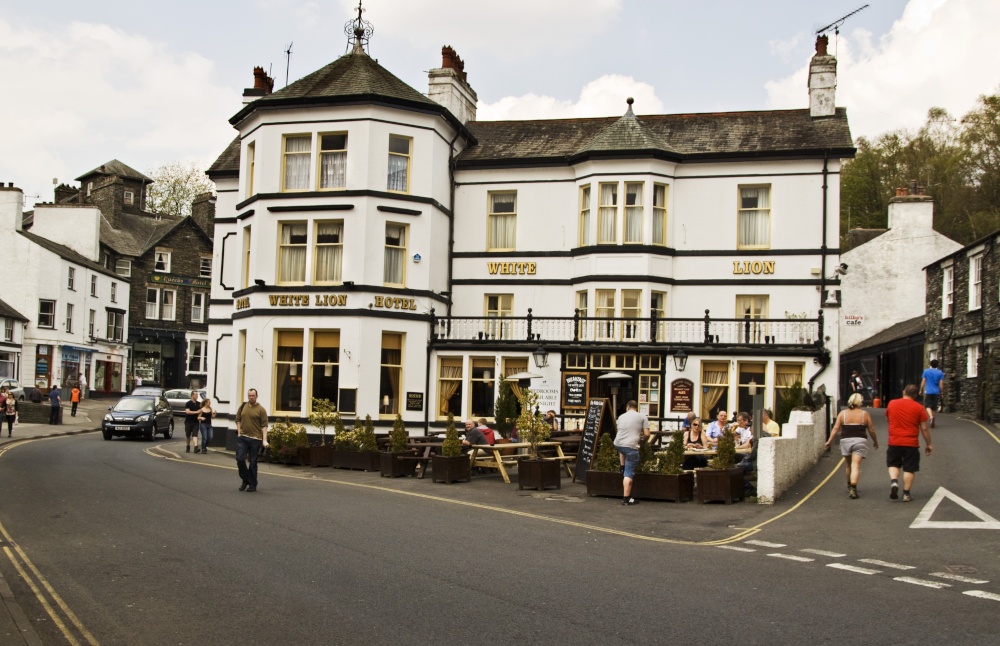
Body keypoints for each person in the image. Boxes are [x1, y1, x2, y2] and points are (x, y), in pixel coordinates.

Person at [825, 393, 879, 499]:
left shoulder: (843, 414)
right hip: (860, 441)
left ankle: (849, 485)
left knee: (848, 465)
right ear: (860, 402)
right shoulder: (865, 414)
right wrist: (875, 441)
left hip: (845, 441)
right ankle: (853, 488)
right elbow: (871, 430)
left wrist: (829, 441)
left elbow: (836, 428)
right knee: (856, 465)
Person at [885, 384, 933, 502]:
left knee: (893, 464)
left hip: (894, 441)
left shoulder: (892, 403)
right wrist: (929, 444)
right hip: (911, 443)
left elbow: (888, 418)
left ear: (903, 392)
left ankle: (894, 482)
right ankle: (906, 494)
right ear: (915, 395)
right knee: (909, 468)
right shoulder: (919, 407)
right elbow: (924, 428)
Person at [614, 400, 650, 506]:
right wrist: (643, 440)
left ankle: (622, 465)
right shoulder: (642, 417)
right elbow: (647, 433)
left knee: (623, 449)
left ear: (628, 407)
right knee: (628, 474)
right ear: (636, 407)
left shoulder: (621, 417)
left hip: (618, 443)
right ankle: (626, 498)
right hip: (631, 446)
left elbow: (621, 431)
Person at [235, 388, 269, 492]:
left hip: (255, 439)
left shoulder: (261, 409)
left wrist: (264, 440)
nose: (251, 397)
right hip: (243, 438)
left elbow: (264, 426)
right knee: (240, 459)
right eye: (249, 395)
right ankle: (246, 479)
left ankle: (252, 484)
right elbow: (238, 419)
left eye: (253, 396)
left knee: (253, 462)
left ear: (256, 396)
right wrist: (239, 432)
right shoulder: (243, 406)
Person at [919, 359, 944, 429]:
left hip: (929, 391)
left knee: (927, 406)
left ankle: (931, 417)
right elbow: (941, 383)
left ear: (930, 364)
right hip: (936, 392)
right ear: (937, 365)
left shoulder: (926, 371)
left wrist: (920, 389)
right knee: (934, 407)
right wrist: (942, 392)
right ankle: (933, 420)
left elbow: (923, 381)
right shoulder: (940, 373)